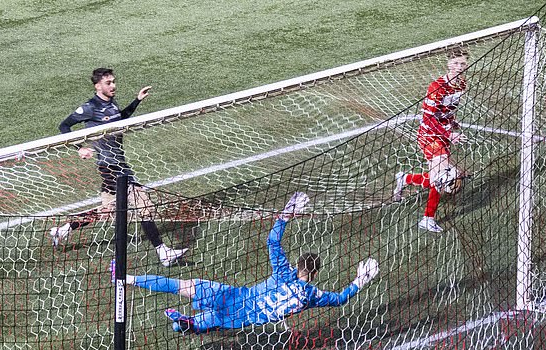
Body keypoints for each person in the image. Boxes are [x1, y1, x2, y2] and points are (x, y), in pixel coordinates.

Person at [122, 192, 380, 334]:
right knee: (205, 322)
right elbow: (340, 298)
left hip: (233, 297)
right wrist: (361, 278)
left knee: (182, 285)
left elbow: (272, 242)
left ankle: (129, 278)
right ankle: (187, 325)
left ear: (299, 266)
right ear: (313, 274)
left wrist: (286, 215)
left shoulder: (283, 274)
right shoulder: (312, 295)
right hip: (242, 319)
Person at [50, 68, 186, 266]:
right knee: (144, 204)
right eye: (108, 83)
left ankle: (63, 230)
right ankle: (162, 252)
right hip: (110, 166)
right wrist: (79, 148)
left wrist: (137, 100)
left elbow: (120, 119)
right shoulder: (90, 107)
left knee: (108, 211)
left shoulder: (111, 103)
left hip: (119, 162)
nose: (113, 86)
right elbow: (64, 126)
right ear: (98, 86)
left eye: (113, 82)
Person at [392, 48, 469, 233]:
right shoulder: (436, 87)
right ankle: (427, 219)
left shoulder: (462, 85)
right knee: (443, 177)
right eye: (456, 63)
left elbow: (447, 110)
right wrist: (449, 133)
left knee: (437, 178)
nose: (459, 67)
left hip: (443, 135)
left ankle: (405, 179)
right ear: (448, 64)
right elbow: (428, 119)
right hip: (429, 136)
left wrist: (452, 122)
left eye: (463, 63)